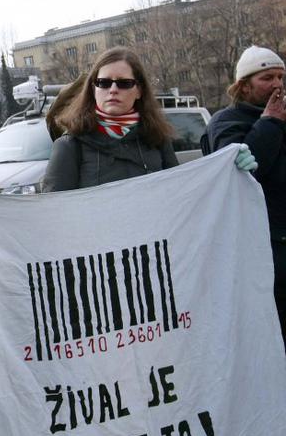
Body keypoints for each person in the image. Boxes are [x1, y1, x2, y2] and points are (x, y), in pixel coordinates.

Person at [203, 45, 285, 348]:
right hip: (263, 247)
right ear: (244, 85)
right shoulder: (225, 122)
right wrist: (270, 123)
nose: (277, 85)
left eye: (280, 77)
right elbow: (243, 177)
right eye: (267, 78)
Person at [41, 47, 180, 191]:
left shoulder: (157, 138)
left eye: (124, 83)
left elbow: (178, 193)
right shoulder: (70, 145)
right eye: (104, 83)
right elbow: (55, 203)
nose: (113, 90)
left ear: (139, 90)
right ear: (94, 89)